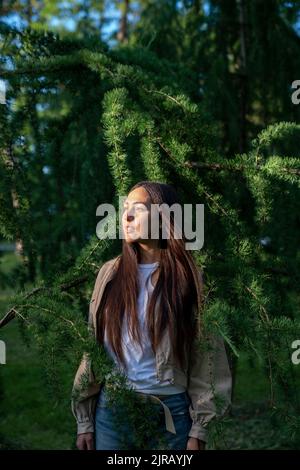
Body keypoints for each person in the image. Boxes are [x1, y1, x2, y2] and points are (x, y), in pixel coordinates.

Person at [72, 181, 232, 450]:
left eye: (138, 208)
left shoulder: (190, 278)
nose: (127, 216)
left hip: (171, 413)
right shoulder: (110, 274)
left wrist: (199, 429)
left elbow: (208, 354)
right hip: (112, 411)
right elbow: (93, 348)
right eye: (124, 209)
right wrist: (84, 420)